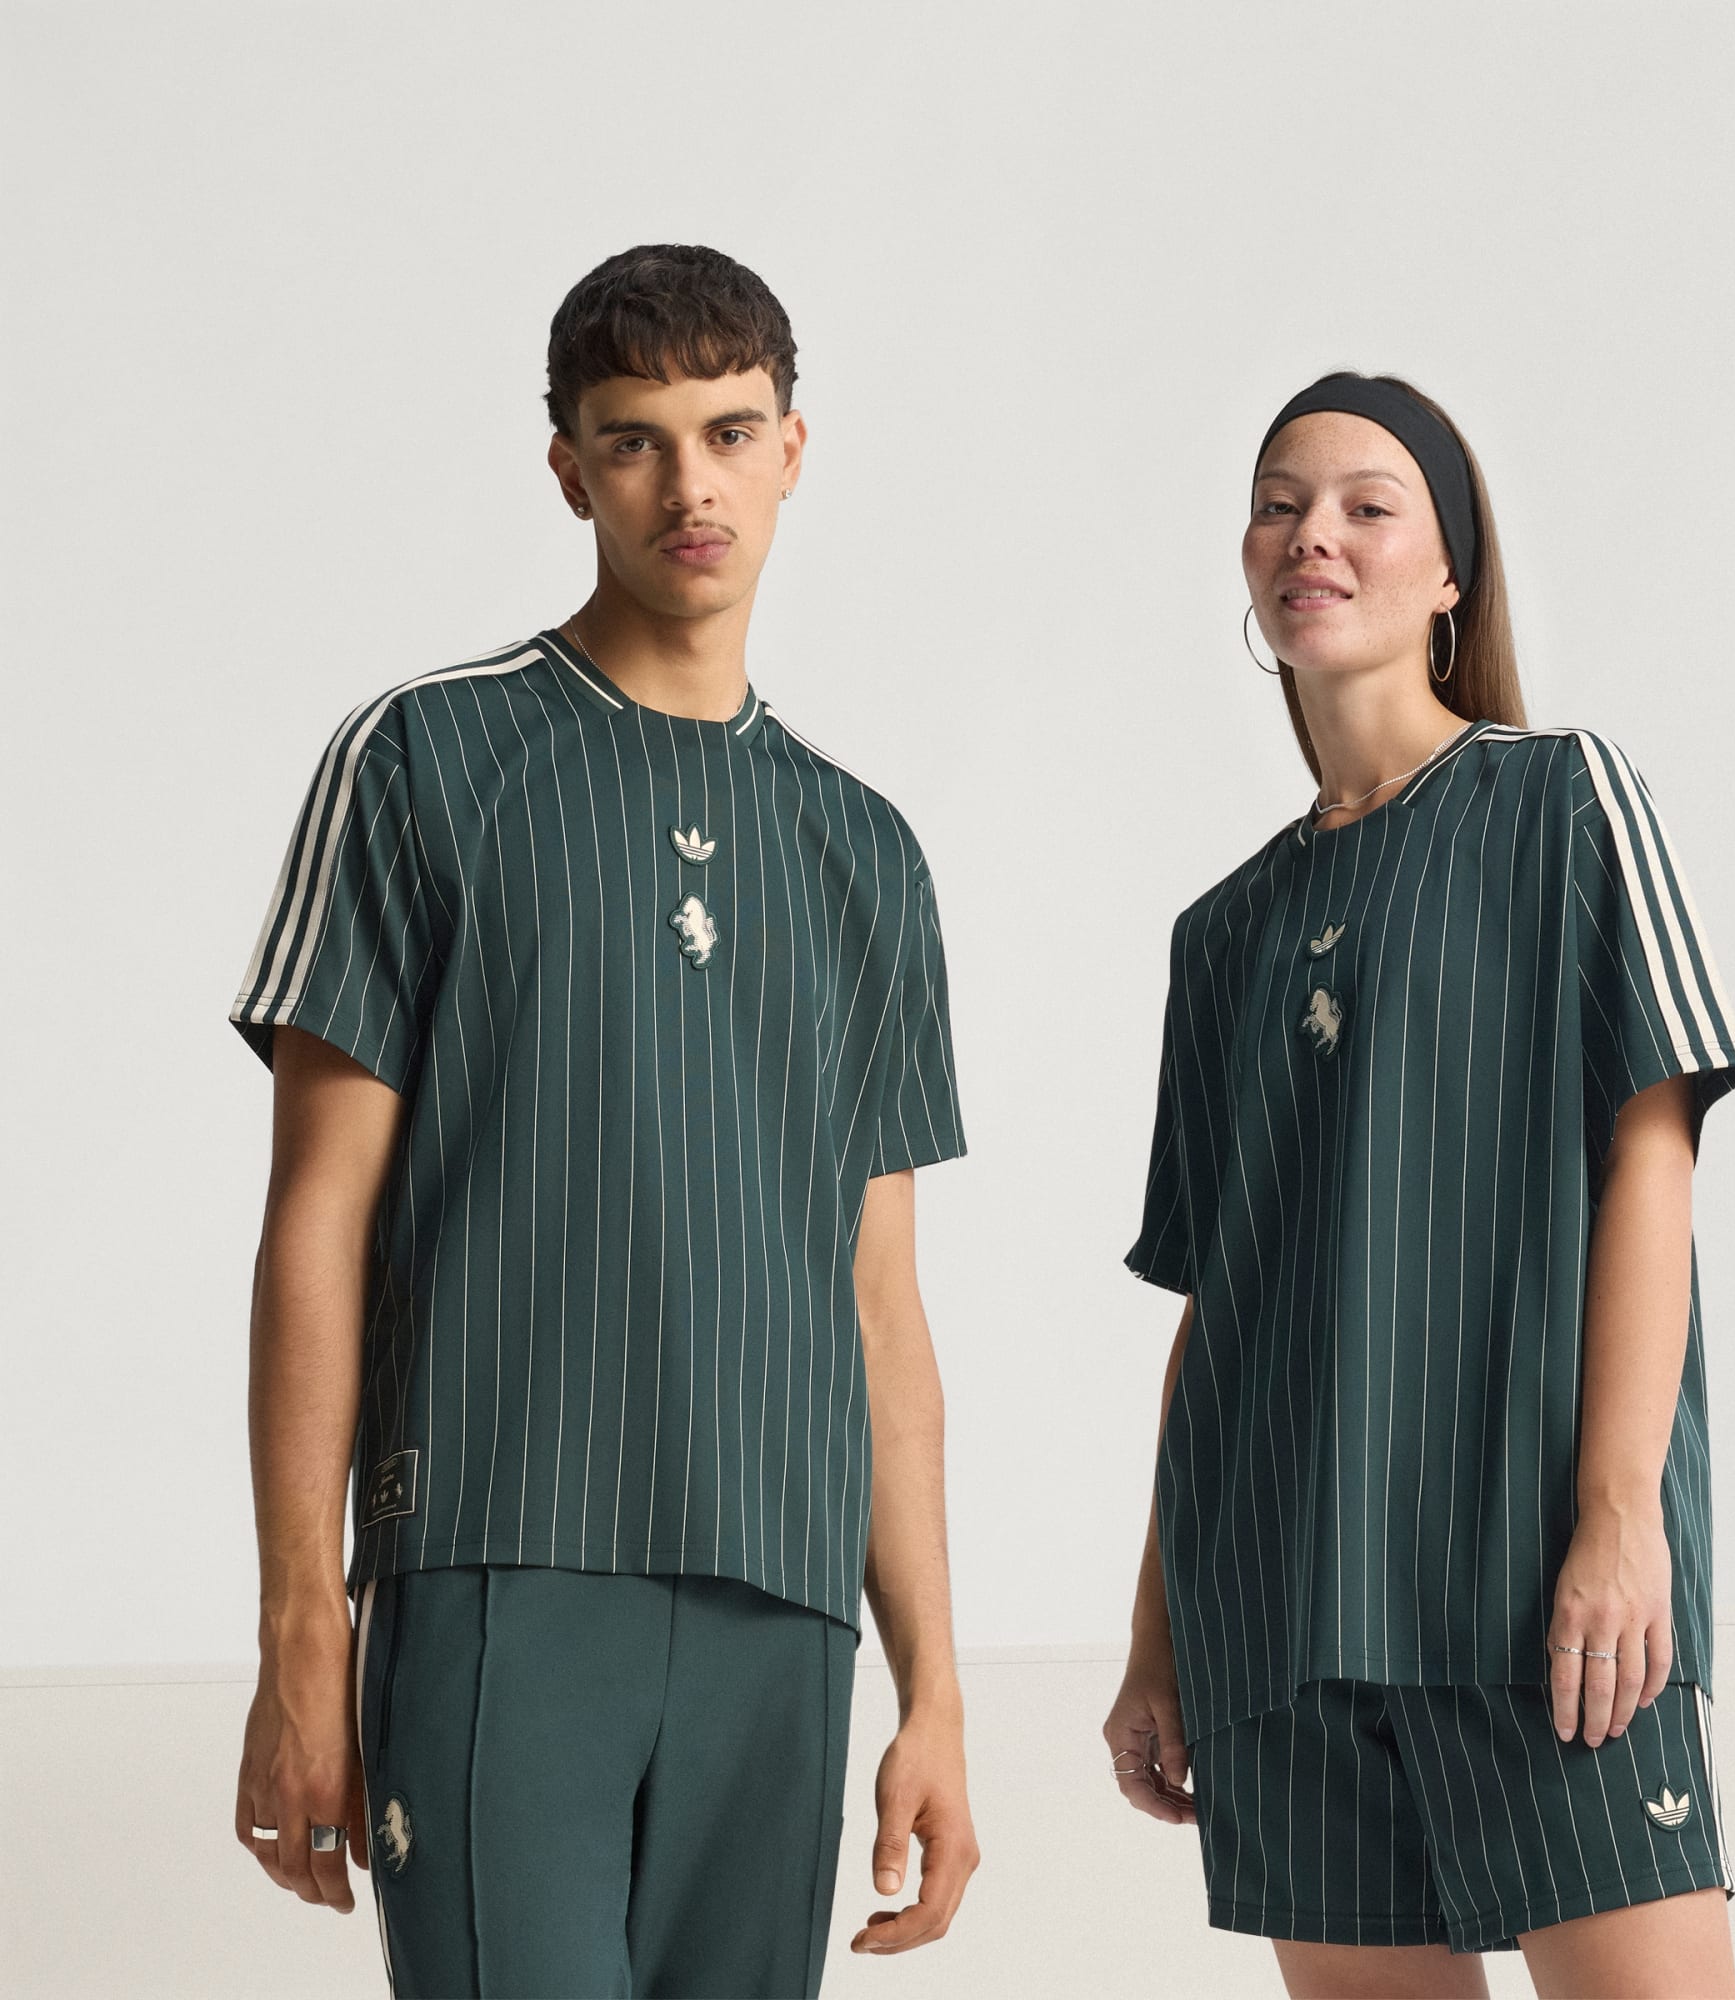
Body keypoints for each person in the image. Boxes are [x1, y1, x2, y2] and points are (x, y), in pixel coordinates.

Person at [226, 243, 980, 1998]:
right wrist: (301, 1626)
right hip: (500, 1558)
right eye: (636, 440)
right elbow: (316, 1223)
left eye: (729, 433)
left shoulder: (865, 851)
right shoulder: (426, 763)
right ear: (569, 468)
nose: (689, 485)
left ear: (794, 449)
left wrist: (937, 1688)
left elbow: (882, 1311)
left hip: (782, 1605)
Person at [1104, 371, 1735, 2000]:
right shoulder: (1221, 935)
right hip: (1277, 1613)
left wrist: (1621, 1515)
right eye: (1278, 505)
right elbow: (1215, 1309)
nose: (1310, 535)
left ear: (1451, 570)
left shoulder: (1560, 801)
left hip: (1533, 1587)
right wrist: (1157, 1636)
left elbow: (1651, 1155)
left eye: (1366, 506)